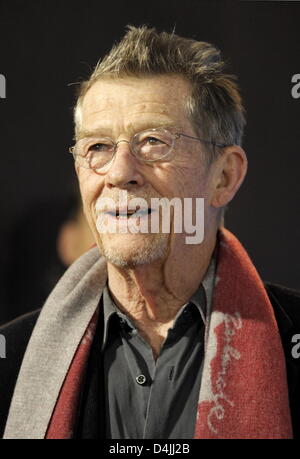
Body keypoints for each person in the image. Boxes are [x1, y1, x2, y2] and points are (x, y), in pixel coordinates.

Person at [1, 25, 300, 440]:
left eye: (154, 141)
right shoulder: (12, 359)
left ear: (225, 176)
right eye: (98, 147)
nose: (120, 173)